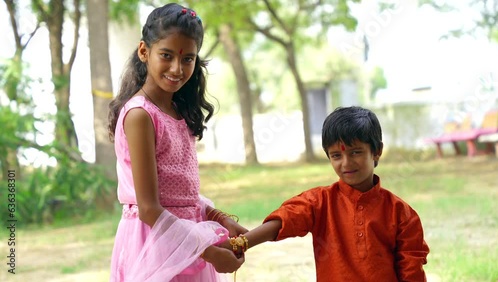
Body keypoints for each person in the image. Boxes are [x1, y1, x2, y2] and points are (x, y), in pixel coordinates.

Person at [107, 3, 246, 281]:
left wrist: (218, 217)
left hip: (187, 240)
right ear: (144, 51)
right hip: (156, 246)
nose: (177, 68)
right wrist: (209, 252)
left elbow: (183, 195)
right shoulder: (140, 116)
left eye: (187, 59)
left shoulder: (178, 112)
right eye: (166, 55)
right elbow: (149, 209)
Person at [225, 106, 430, 281]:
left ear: (377, 151)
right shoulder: (319, 202)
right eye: (336, 155)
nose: (346, 163)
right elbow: (285, 220)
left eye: (355, 152)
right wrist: (241, 243)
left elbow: (411, 272)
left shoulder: (401, 213)